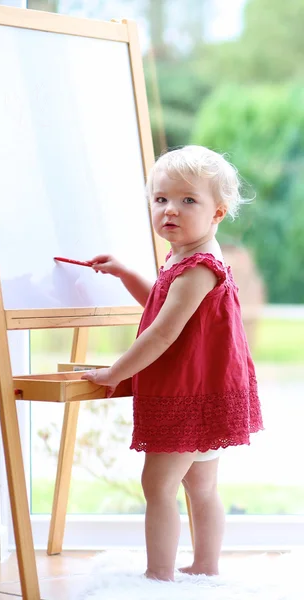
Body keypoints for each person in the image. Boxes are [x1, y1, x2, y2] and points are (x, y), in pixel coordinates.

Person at [81, 145, 263, 582]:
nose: (170, 211)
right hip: (205, 391)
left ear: (217, 213)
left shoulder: (199, 267)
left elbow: (162, 332)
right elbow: (164, 309)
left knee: (158, 486)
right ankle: (205, 566)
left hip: (189, 394)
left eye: (187, 201)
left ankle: (159, 574)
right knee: (200, 487)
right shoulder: (187, 259)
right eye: (161, 199)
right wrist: (127, 274)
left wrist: (115, 372)